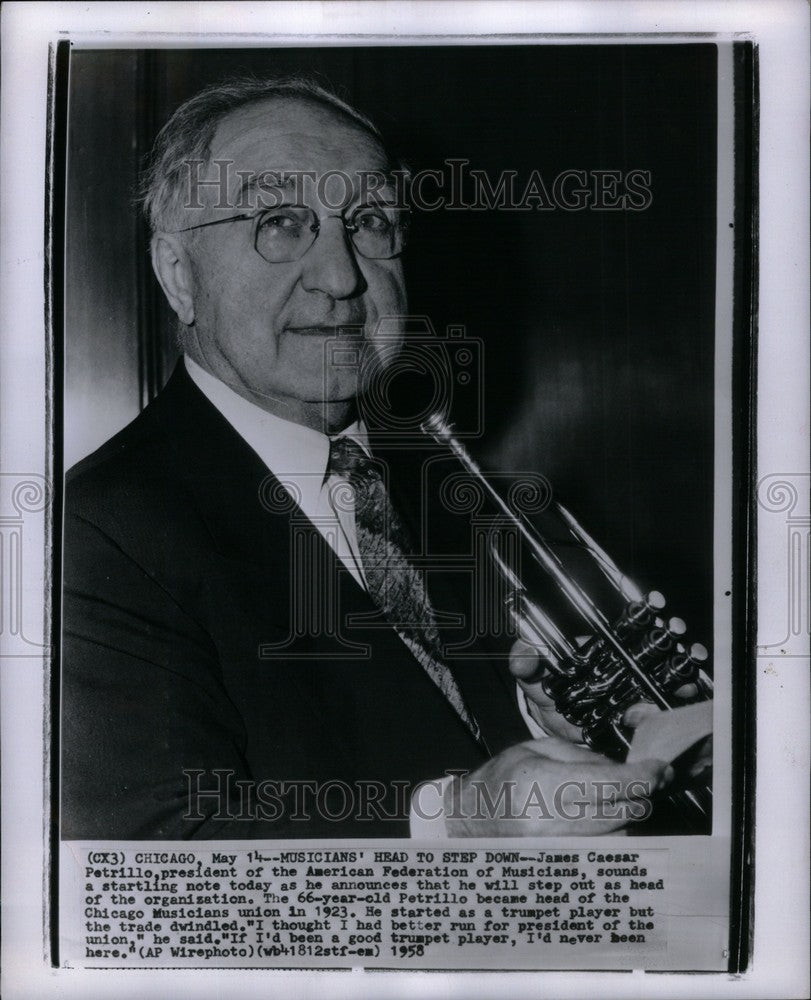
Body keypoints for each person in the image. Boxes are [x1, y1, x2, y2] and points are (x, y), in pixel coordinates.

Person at [62, 76, 684, 840]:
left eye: (368, 222)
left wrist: (562, 717)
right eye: (280, 221)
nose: (342, 276)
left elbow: (446, 726)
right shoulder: (96, 531)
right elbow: (148, 852)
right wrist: (456, 818)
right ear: (178, 275)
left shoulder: (443, 479)